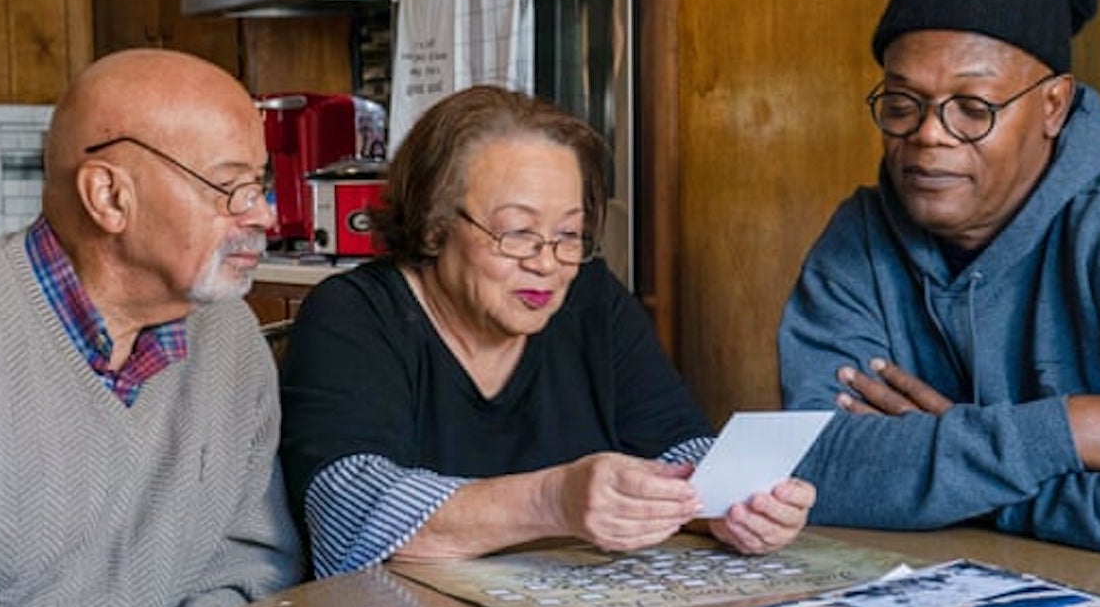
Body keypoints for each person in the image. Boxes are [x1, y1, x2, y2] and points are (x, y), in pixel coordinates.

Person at [280, 85, 816, 575]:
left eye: (569, 234)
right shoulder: (354, 314)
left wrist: (727, 503)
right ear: (433, 223)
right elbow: (348, 505)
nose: (548, 263)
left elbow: (676, 448)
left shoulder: (591, 300)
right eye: (518, 233)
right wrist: (555, 500)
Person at [778, 0, 1100, 559]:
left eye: (972, 107)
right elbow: (812, 463)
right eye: (903, 103)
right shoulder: (857, 240)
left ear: (1053, 106)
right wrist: (1068, 431)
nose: (929, 135)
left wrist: (964, 484)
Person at [0, 48, 302, 607]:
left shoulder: (230, 338)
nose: (263, 214)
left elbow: (245, 567)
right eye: (230, 185)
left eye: (259, 184)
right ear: (109, 195)